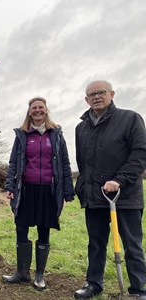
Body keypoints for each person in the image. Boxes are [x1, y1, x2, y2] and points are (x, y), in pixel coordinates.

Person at [74, 80, 146, 299]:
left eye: (101, 92)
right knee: (95, 244)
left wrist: (119, 180)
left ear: (111, 94)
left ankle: (139, 289)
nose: (96, 97)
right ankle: (93, 283)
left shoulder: (130, 118)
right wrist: (82, 188)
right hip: (94, 197)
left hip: (124, 196)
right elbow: (83, 163)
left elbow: (140, 153)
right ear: (86, 99)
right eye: (91, 94)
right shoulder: (81, 127)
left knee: (132, 244)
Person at [3, 97, 75, 290]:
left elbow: (65, 164)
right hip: (25, 189)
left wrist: (68, 190)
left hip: (48, 191)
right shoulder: (22, 135)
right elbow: (13, 164)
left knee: (44, 230)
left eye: (40, 107)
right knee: (21, 228)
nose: (37, 110)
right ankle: (22, 273)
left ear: (46, 110)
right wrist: (10, 186)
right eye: (33, 108)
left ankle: (39, 275)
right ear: (29, 111)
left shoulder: (56, 135)